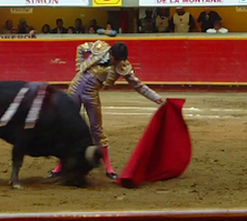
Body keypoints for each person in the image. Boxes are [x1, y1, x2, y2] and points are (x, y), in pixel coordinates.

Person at [49, 41, 164, 180]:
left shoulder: (122, 66)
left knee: (97, 129)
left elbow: (138, 86)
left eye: (118, 60)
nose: (115, 62)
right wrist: (79, 68)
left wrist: (157, 98)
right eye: (114, 58)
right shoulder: (100, 48)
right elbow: (80, 48)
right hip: (75, 87)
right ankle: (60, 166)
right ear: (110, 53)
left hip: (91, 93)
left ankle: (108, 167)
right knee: (67, 127)